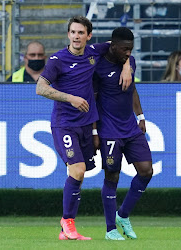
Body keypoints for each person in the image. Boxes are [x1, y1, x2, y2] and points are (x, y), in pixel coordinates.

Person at [36, 16, 132, 241]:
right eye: (73, 32)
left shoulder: (93, 52)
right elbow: (40, 88)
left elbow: (120, 48)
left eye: (81, 33)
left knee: (81, 173)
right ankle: (67, 222)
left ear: (88, 35)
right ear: (68, 34)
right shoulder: (57, 60)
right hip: (64, 124)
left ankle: (66, 230)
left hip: (87, 126)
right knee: (77, 170)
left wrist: (126, 66)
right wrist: (70, 98)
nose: (76, 37)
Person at [93, 27, 153, 240]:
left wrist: (141, 116)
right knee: (112, 176)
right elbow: (93, 99)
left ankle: (123, 215)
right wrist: (94, 131)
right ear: (113, 46)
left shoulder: (130, 61)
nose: (129, 53)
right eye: (125, 49)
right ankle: (110, 229)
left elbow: (132, 89)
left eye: (131, 49)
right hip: (109, 130)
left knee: (146, 171)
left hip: (130, 127)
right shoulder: (98, 65)